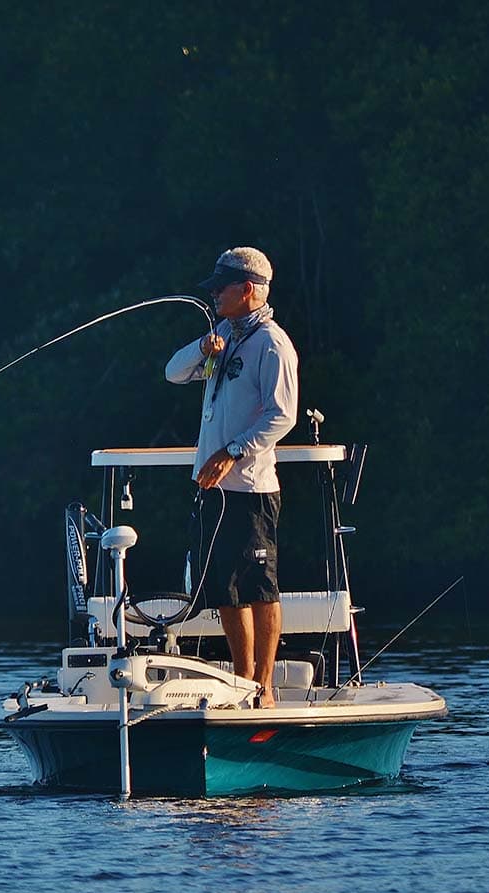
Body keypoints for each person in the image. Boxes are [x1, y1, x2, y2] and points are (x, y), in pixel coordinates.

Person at [165, 247, 298, 708]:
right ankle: (242, 680)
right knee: (226, 587)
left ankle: (264, 686)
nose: (214, 294)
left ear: (247, 289)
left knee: (260, 586)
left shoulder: (273, 344)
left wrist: (232, 451)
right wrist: (203, 348)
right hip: (214, 490)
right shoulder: (223, 333)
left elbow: (283, 417)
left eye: (221, 287)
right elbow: (173, 373)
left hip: (252, 489)